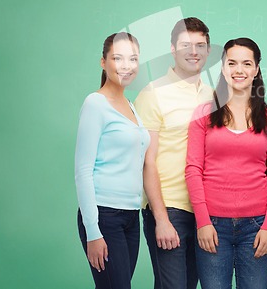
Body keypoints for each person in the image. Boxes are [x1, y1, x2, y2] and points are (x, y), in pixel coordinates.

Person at [186, 38, 267, 289]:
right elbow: (193, 170)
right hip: (213, 225)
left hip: (256, 227)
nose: (238, 70)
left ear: (256, 69)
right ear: (222, 67)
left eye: (246, 64)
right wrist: (203, 221)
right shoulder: (203, 113)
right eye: (232, 63)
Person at [134, 17, 213, 289]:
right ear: (172, 49)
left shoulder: (214, 95)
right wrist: (162, 219)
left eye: (200, 45)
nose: (193, 52)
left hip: (204, 211)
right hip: (169, 208)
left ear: (208, 50)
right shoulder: (153, 93)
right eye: (186, 45)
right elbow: (147, 161)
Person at [75, 32, 150, 289]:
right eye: (118, 58)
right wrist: (93, 231)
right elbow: (83, 171)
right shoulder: (95, 104)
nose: (126, 66)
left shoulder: (130, 106)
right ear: (103, 62)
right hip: (104, 215)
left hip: (131, 215)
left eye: (133, 59)